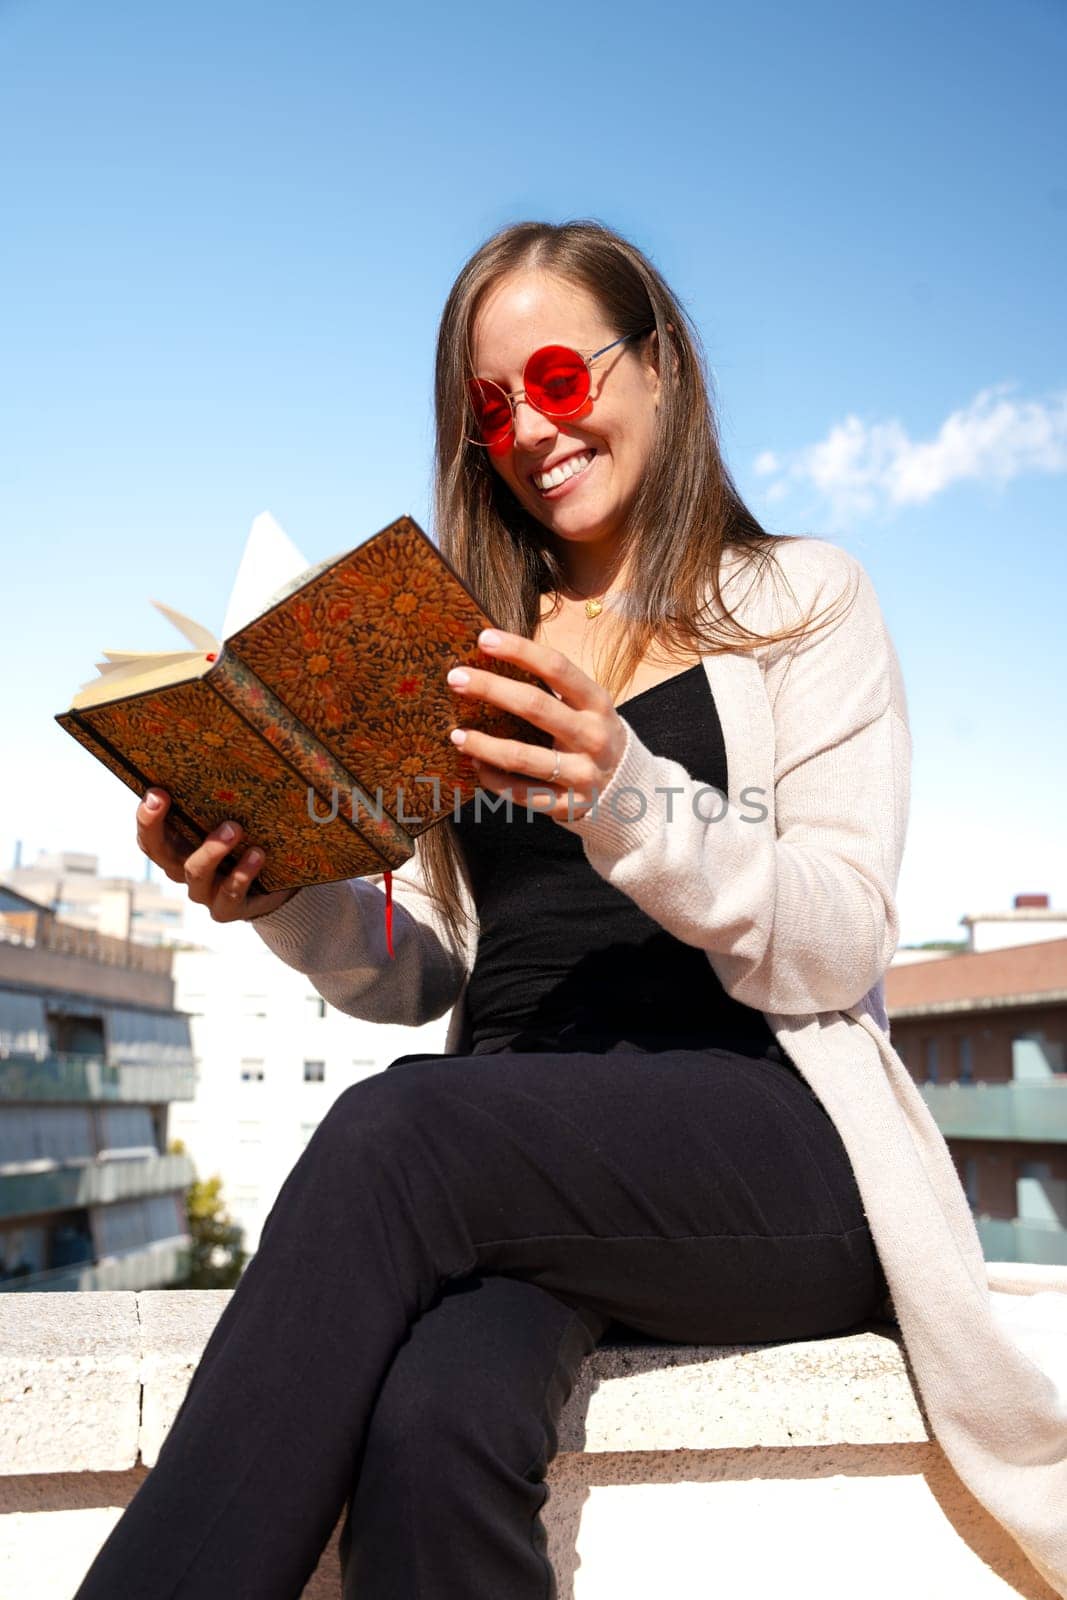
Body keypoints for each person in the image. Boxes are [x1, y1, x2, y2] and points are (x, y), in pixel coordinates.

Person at [73, 220, 1067, 1600]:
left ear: (655, 367)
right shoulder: (473, 648)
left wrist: (626, 793)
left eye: (557, 377)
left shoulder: (801, 602)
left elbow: (842, 933)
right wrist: (280, 895)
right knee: (433, 1428)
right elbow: (423, 977)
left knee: (396, 1130)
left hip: (768, 1145)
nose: (532, 429)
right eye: (491, 407)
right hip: (516, 1162)